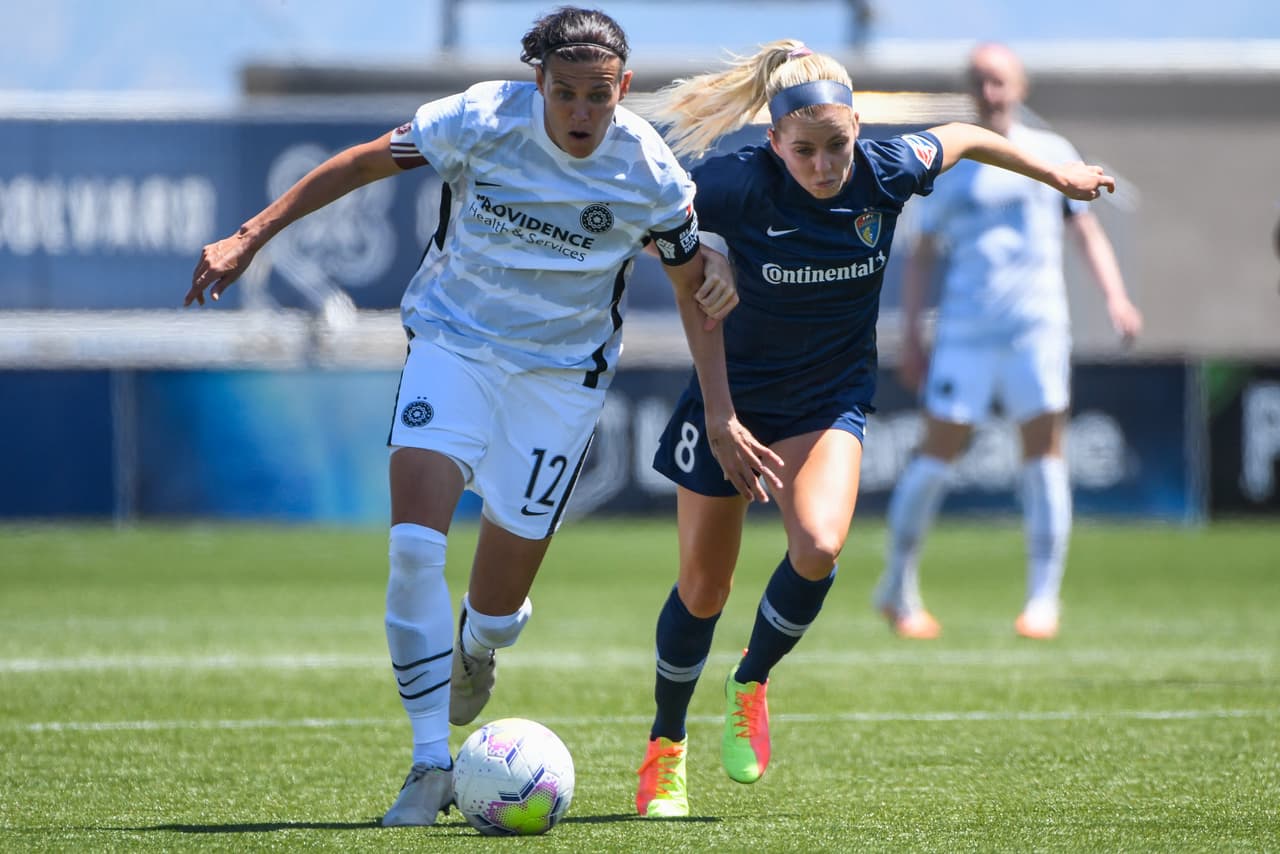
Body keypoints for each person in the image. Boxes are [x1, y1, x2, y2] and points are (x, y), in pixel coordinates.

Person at [186, 7, 779, 829]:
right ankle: (430, 763)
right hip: (453, 347)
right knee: (412, 550)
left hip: (560, 383)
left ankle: (477, 644)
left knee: (497, 614)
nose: (580, 112)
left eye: (598, 96)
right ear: (538, 82)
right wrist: (251, 236)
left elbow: (694, 290)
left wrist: (720, 413)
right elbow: (362, 163)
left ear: (624, 88)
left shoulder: (647, 171)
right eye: (564, 93)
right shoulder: (479, 119)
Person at [629, 40, 1120, 819]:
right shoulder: (735, 183)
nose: (824, 165)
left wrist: (1055, 174)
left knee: (820, 546)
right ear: (774, 142)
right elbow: (649, 218)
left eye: (837, 145)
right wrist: (702, 258)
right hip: (734, 399)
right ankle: (666, 747)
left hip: (827, 397)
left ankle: (751, 682)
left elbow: (966, 136)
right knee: (703, 588)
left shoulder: (886, 170)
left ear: (858, 129)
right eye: (805, 151)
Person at [873, 43, 1143, 642]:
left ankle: (1043, 599)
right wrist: (911, 334)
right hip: (965, 331)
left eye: (999, 80)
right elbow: (920, 255)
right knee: (936, 454)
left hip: (1036, 328)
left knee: (1044, 453)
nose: (990, 92)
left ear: (1021, 86)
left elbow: (1086, 231)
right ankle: (896, 587)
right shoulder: (953, 160)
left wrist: (1117, 298)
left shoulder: (1052, 150)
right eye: (980, 81)